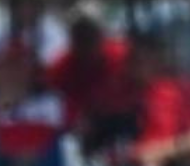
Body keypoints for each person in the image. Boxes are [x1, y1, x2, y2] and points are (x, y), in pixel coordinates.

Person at [48, 11, 138, 157]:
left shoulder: (122, 55)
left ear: (100, 37)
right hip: (84, 127)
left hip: (125, 121)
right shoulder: (62, 66)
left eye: (90, 38)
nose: (86, 45)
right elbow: (54, 98)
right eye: (80, 39)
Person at [125, 35, 190, 166]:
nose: (136, 65)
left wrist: (162, 152)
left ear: (159, 59)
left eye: (143, 59)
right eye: (133, 60)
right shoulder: (128, 93)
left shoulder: (184, 91)